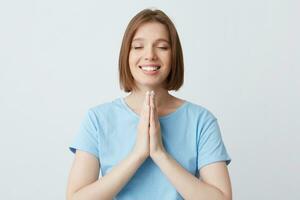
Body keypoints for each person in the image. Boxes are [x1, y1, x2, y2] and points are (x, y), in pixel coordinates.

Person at [66, 8, 232, 200]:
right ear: (126, 55)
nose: (150, 55)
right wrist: (137, 154)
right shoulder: (97, 119)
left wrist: (160, 154)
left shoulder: (201, 121)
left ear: (174, 56)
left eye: (162, 47)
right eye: (138, 47)